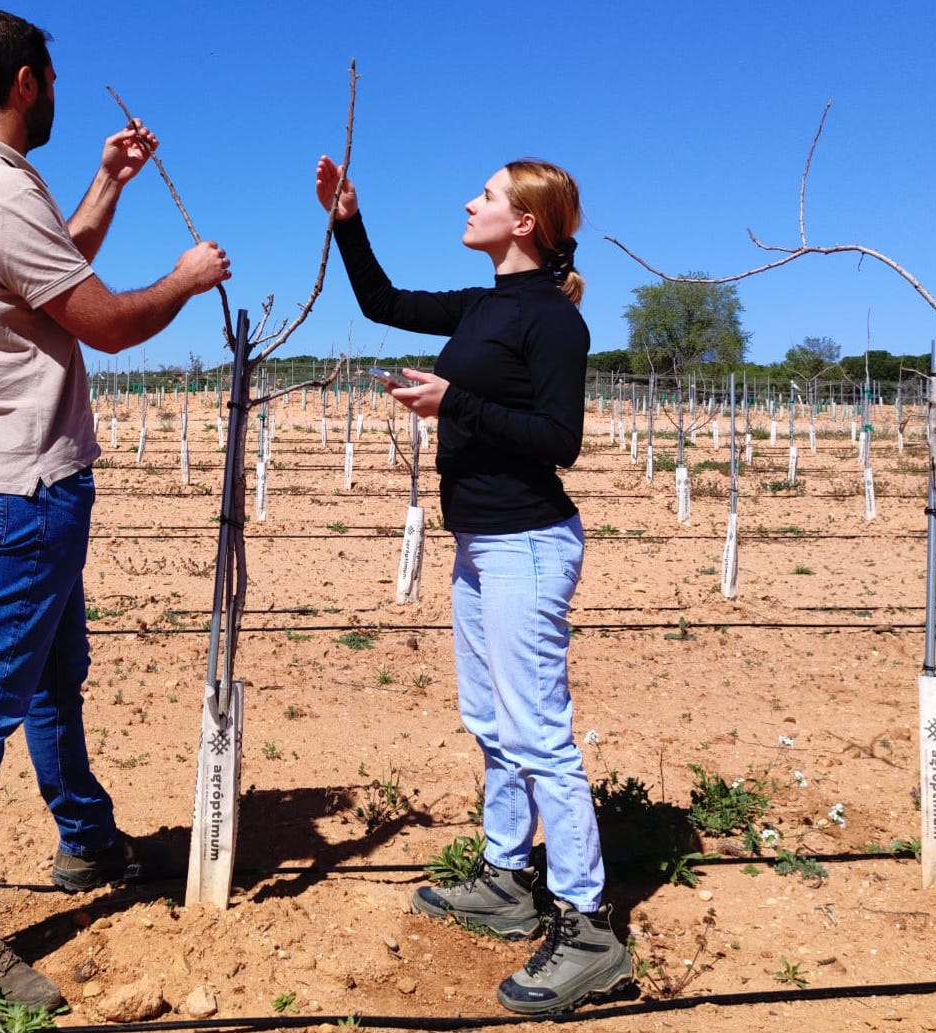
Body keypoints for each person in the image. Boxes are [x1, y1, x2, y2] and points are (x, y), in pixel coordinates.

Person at [0, 9, 230, 1009]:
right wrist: (183, 281)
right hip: (25, 484)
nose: (54, 88)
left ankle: (85, 839)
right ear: (25, 81)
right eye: (50, 76)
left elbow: (52, 275)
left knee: (55, 677)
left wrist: (109, 182)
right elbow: (102, 321)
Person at [314, 154, 630, 1015]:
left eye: (486, 195)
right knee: (490, 718)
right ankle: (505, 874)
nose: (469, 200)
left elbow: (558, 440)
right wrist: (347, 218)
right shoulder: (484, 306)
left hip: (529, 542)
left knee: (538, 732)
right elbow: (381, 302)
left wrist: (455, 403)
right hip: (482, 543)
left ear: (525, 221)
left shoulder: (555, 325)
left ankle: (590, 925)